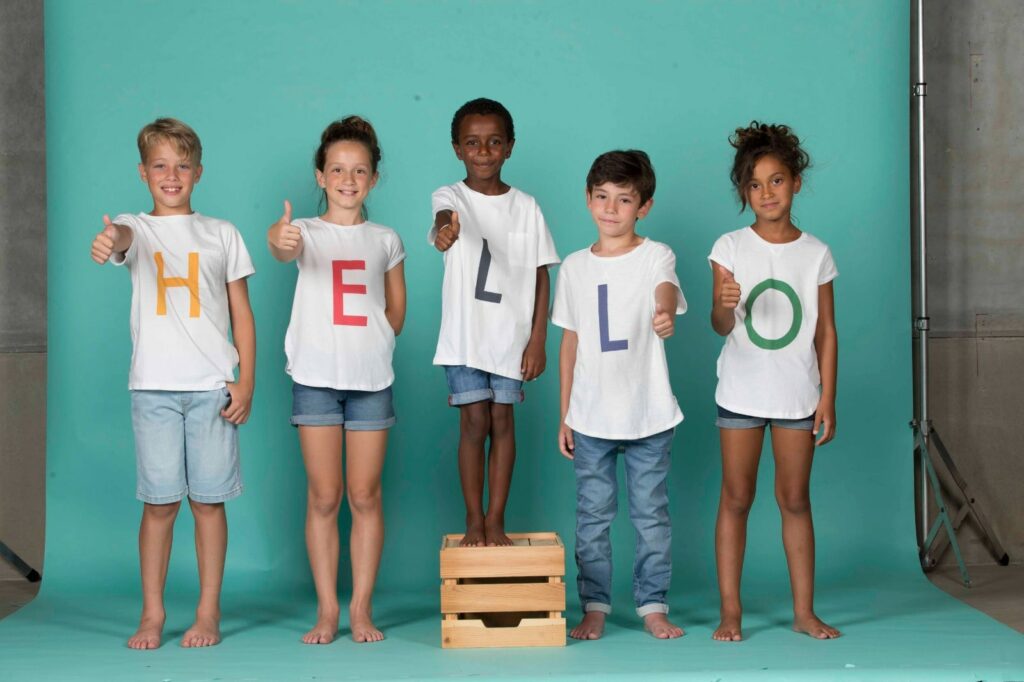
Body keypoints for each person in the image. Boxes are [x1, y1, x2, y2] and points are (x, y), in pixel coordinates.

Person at [90, 117, 256, 649]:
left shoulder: (222, 233)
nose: (172, 175)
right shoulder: (135, 226)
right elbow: (124, 238)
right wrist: (111, 237)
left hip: (212, 388)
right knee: (159, 504)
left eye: (182, 165)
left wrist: (245, 381)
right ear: (143, 173)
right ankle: (153, 614)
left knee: (209, 503)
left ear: (199, 173)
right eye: (160, 165)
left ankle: (207, 613)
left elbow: (242, 313)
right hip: (154, 390)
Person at [267, 116, 406, 644]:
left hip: (371, 380)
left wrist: (370, 346)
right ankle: (327, 610)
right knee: (324, 496)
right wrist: (278, 237)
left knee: (365, 495)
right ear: (321, 176)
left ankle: (362, 609)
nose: (349, 178)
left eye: (360, 170)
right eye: (338, 169)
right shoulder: (304, 232)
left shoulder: (385, 238)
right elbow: (282, 248)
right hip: (315, 379)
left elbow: (396, 310)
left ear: (373, 178)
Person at [709, 121, 840, 642]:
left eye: (777, 181)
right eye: (756, 184)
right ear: (745, 192)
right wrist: (724, 307)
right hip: (740, 391)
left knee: (795, 499)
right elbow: (721, 327)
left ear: (796, 184)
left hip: (797, 394)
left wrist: (827, 395)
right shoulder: (729, 246)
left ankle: (804, 612)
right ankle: (730, 612)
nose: (767, 193)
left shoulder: (816, 254)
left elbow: (827, 331)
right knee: (736, 498)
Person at [552, 150, 686, 641]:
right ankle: (595, 604)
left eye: (624, 200)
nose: (611, 208)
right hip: (590, 415)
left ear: (643, 207)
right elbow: (569, 343)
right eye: (603, 197)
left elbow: (666, 288)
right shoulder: (573, 267)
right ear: (588, 199)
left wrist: (664, 312)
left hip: (649, 412)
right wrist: (564, 412)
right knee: (593, 516)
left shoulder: (656, 255)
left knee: (651, 515)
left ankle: (653, 603)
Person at [429, 98, 559, 547]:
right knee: (473, 424)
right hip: (466, 336)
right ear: (457, 149)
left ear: (509, 148)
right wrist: (444, 232)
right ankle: (473, 519)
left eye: (493, 142)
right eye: (472, 143)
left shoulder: (526, 207)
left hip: (511, 337)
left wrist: (538, 338)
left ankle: (497, 519)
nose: (483, 151)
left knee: (503, 421)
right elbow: (442, 223)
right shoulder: (450, 196)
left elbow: (542, 273)